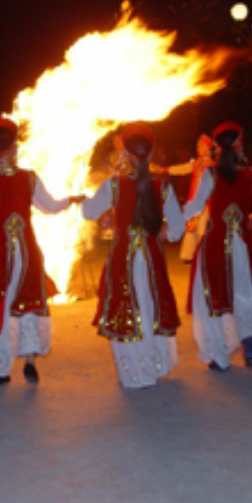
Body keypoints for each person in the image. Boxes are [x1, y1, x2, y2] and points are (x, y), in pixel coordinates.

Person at [0, 117, 82, 384]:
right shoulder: (29, 178)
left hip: (0, 253)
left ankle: (1, 368)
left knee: (1, 305)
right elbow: (51, 206)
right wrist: (72, 199)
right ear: (15, 147)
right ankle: (30, 361)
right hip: (27, 253)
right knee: (28, 306)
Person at [82, 122, 185, 388]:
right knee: (150, 304)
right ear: (150, 154)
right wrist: (160, 234)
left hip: (122, 256)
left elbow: (89, 212)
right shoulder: (162, 185)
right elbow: (178, 228)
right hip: (151, 255)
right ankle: (155, 364)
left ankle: (133, 373)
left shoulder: (114, 184)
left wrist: (84, 199)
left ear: (125, 153)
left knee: (127, 307)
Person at [182, 123, 252, 371]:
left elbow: (194, 206)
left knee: (212, 298)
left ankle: (219, 356)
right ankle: (249, 344)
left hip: (214, 243)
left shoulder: (211, 173)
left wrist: (173, 221)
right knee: (244, 296)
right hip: (241, 245)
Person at [164, 134, 214, 262]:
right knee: (191, 226)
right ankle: (189, 255)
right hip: (195, 200)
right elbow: (182, 169)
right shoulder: (197, 163)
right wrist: (165, 170)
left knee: (203, 227)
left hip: (207, 201)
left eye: (201, 146)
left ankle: (205, 255)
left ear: (208, 148)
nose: (198, 148)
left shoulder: (213, 166)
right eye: (198, 146)